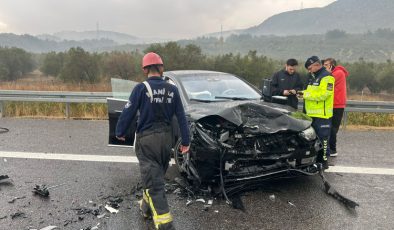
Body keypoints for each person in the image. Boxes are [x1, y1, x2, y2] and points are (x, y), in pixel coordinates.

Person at [115, 52, 190, 230]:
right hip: (166, 140)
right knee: (155, 176)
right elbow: (181, 117)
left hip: (147, 140)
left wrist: (119, 131)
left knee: (155, 182)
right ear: (161, 68)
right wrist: (185, 141)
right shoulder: (173, 89)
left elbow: (128, 112)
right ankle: (146, 207)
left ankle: (165, 224)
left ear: (145, 69)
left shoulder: (141, 88)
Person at [299, 56, 335, 169]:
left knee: (323, 139)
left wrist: (306, 95)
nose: (309, 71)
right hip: (311, 114)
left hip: (322, 115)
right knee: (312, 139)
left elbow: (324, 95)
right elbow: (310, 91)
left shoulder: (327, 77)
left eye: (310, 68)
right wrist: (301, 93)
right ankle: (314, 161)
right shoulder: (313, 76)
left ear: (317, 65)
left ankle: (324, 162)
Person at [323, 58, 349, 157]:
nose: (324, 67)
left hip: (337, 104)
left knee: (333, 128)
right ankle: (330, 148)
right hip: (333, 103)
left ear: (332, 65)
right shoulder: (335, 72)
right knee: (331, 127)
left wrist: (327, 74)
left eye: (326, 65)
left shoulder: (338, 73)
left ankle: (333, 150)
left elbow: (328, 82)